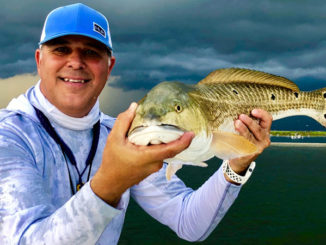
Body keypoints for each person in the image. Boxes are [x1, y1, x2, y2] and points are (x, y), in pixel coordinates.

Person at [0, 3, 272, 245]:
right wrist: (111, 183)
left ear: (110, 66)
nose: (76, 62)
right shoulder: (9, 136)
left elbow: (188, 221)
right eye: (61, 49)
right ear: (39, 60)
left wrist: (236, 165)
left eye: (91, 52)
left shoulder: (124, 137)